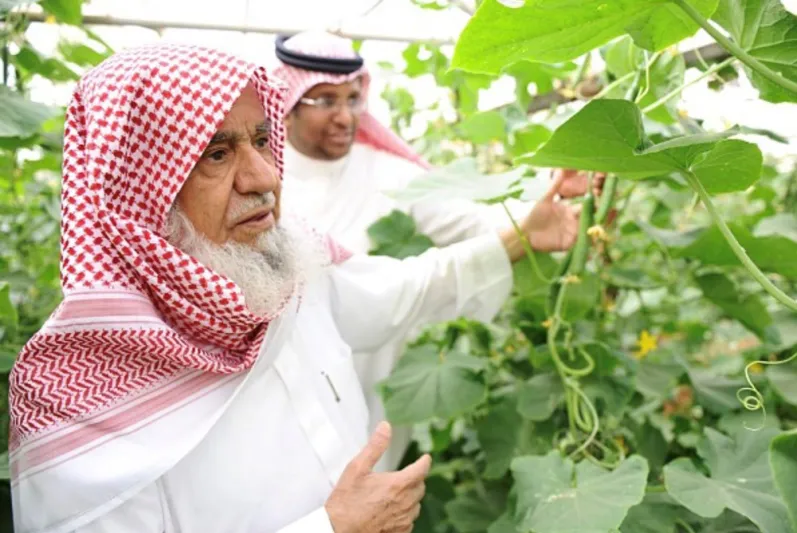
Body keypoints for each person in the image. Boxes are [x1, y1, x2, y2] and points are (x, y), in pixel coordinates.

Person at [9, 43, 587, 533]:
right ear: (136, 189)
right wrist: (333, 527)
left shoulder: (283, 268)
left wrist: (522, 236)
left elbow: (401, 290)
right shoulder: (74, 401)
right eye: (216, 154)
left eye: (262, 141)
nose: (264, 177)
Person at [273, 31, 602, 471]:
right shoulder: (263, 178)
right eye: (326, 101)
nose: (345, 116)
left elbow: (475, 221)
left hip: (373, 376)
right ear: (288, 103)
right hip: (281, 387)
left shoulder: (391, 174)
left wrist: (556, 204)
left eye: (353, 99)